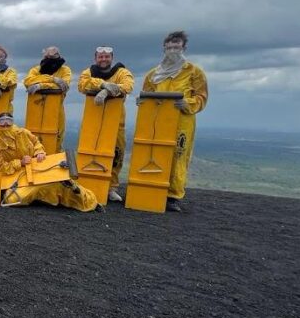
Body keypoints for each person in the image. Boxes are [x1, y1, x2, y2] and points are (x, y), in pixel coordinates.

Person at [140, 31, 209, 212]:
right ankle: (151, 188)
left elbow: (202, 96)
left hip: (182, 121)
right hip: (158, 120)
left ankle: (172, 195)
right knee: (154, 153)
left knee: (178, 155)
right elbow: (145, 94)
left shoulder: (194, 72)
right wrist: (142, 102)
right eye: (169, 47)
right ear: (164, 48)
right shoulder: (153, 74)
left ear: (183, 48)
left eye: (176, 47)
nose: (172, 50)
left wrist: (187, 103)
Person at [0, 112, 98, 211]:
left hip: (35, 168)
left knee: (57, 181)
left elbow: (36, 142)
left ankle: (87, 199)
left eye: (8, 120)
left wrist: (39, 152)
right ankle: (47, 186)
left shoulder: (23, 133)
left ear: (12, 121)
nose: (5, 124)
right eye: (2, 121)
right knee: (10, 199)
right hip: (15, 176)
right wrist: (19, 163)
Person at [78, 45, 135, 202]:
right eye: (100, 57)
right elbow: (82, 85)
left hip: (116, 121)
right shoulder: (88, 72)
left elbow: (128, 86)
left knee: (116, 154)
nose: (103, 59)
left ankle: (111, 187)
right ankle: (87, 183)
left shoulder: (122, 72)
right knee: (90, 151)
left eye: (106, 57)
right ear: (96, 58)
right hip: (92, 120)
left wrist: (108, 91)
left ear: (112, 58)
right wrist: (102, 85)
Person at [23, 46, 73, 148]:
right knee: (31, 138)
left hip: (56, 110)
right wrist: (53, 79)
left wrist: (40, 85)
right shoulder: (36, 69)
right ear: (45, 56)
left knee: (57, 138)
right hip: (35, 110)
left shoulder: (65, 70)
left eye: (56, 54)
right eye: (49, 55)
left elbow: (64, 86)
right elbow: (28, 81)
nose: (53, 57)